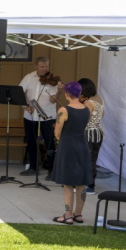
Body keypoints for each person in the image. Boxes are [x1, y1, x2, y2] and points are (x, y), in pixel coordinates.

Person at [51, 81, 93, 225]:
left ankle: (68, 215)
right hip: (82, 145)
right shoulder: (87, 109)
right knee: (81, 183)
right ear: (80, 93)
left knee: (68, 183)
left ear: (67, 94)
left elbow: (57, 132)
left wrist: (57, 132)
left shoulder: (64, 110)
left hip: (68, 146)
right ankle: (78, 214)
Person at [19, 57, 59, 177]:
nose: (44, 69)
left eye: (46, 66)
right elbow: (19, 92)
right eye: (42, 67)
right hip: (30, 116)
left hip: (47, 116)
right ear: (36, 66)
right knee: (31, 141)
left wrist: (60, 91)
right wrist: (25, 106)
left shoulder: (52, 80)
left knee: (49, 142)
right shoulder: (29, 77)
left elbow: (53, 100)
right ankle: (33, 167)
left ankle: (52, 170)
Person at [78, 78, 104, 195]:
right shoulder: (98, 99)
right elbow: (102, 114)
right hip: (98, 132)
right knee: (92, 159)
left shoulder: (88, 103)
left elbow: (84, 118)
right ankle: (90, 184)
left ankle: (89, 185)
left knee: (86, 159)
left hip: (88, 133)